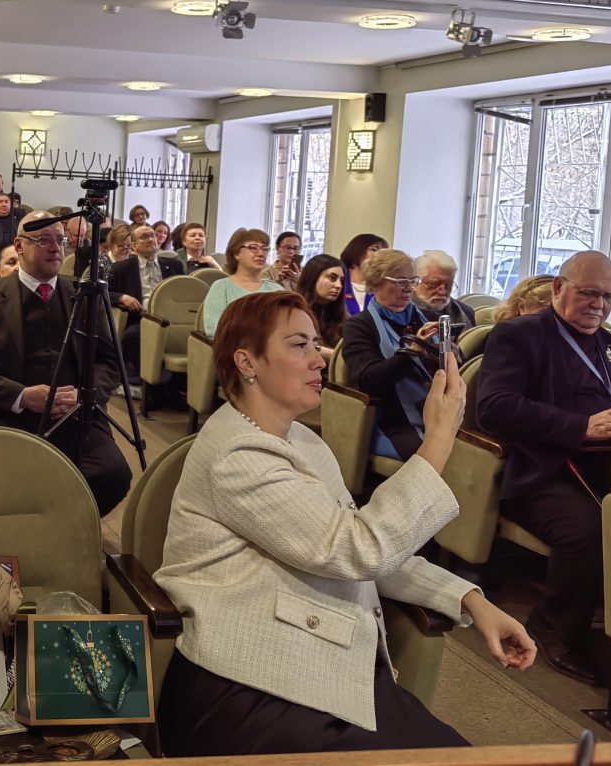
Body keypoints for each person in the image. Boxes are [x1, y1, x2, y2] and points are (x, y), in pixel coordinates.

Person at [153, 290, 533, 756]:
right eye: (299, 345)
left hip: (312, 654)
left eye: (316, 343)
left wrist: (468, 598)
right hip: (251, 681)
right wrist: (437, 439)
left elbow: (360, 543)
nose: (320, 359)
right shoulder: (239, 454)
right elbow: (359, 550)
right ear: (247, 361)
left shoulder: (299, 440)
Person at [478, 251, 611, 686]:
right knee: (588, 530)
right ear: (559, 288)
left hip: (603, 467)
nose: (599, 305)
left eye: (609, 297)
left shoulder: (610, 344)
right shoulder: (518, 335)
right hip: (543, 470)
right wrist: (580, 426)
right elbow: (495, 408)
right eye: (589, 293)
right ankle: (552, 626)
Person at [0, 211, 132, 515]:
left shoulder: (84, 296)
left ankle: (59, 527)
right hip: (8, 414)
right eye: (43, 240)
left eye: (61, 240)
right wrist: (23, 396)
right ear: (19, 245)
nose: (55, 248)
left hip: (75, 413)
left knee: (113, 474)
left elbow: (110, 362)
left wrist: (84, 395)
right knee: (2, 475)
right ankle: (28, 530)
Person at [340, 249, 444, 460]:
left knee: (468, 457)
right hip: (392, 420)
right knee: (435, 459)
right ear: (376, 282)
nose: (409, 288)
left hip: (438, 411)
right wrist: (411, 353)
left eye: (412, 281)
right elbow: (368, 381)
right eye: (400, 281)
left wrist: (450, 355)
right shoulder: (360, 326)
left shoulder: (428, 318)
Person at [109, 224, 183, 370]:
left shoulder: (174, 265)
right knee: (132, 337)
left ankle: (174, 377)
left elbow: (184, 293)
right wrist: (122, 297)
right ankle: (145, 375)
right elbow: (105, 292)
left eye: (152, 235)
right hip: (140, 318)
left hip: (171, 319)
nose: (150, 239)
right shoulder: (121, 268)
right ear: (134, 246)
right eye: (144, 237)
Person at [201, 228, 283, 335]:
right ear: (236, 253)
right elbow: (213, 330)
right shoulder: (221, 288)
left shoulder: (276, 290)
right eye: (253, 248)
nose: (261, 253)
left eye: (265, 249)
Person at [297, 254, 348, 356]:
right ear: (313, 277)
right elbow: (299, 347)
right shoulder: (294, 312)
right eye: (332, 278)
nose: (339, 285)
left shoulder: (343, 317)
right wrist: (335, 356)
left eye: (341, 281)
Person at [413, 250, 476, 330]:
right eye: (434, 284)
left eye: (448, 286)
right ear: (416, 282)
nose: (442, 292)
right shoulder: (402, 315)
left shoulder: (466, 312)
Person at [341, 233, 389, 316]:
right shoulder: (339, 281)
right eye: (374, 249)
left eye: (383, 252)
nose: (379, 256)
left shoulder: (383, 286)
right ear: (357, 251)